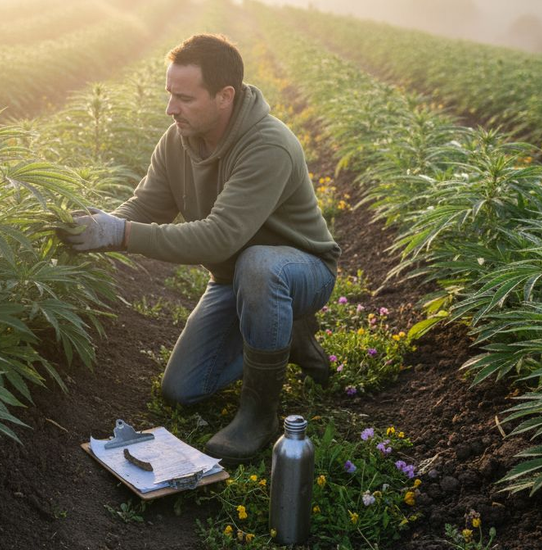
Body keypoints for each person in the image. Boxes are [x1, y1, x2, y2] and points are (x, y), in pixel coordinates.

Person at [61, 34, 341, 464]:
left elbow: (219, 236)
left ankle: (259, 415)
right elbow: (146, 206)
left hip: (301, 270)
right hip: (234, 281)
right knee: (182, 390)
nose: (171, 109)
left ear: (225, 96)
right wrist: (99, 223)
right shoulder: (178, 140)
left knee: (259, 265)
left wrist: (121, 234)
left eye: (185, 98)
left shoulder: (267, 144)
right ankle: (286, 333)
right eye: (170, 94)